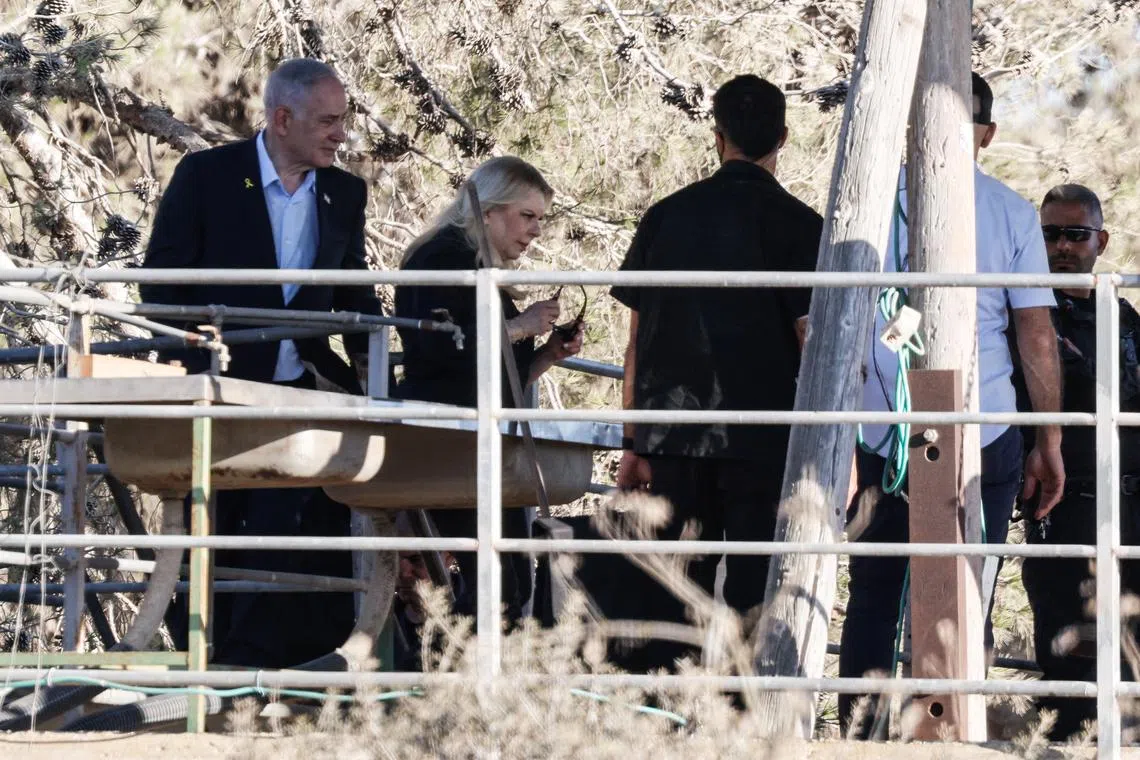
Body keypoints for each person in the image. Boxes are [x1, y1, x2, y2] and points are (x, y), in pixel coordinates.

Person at [839, 72, 1065, 737]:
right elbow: (1035, 332)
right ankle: (949, 731)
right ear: (986, 134)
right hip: (977, 418)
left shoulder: (871, 206)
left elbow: (840, 323)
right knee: (968, 587)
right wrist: (1049, 439)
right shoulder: (1009, 211)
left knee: (876, 592)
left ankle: (861, 733)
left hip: (884, 423)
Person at [140, 58, 382, 667]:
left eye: (343, 120)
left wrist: (380, 363)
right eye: (327, 122)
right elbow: (161, 282)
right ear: (282, 119)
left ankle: (268, 667)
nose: (341, 134)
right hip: (215, 389)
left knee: (294, 528)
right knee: (213, 529)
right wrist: (191, 351)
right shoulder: (206, 176)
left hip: (303, 390)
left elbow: (353, 288)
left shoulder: (345, 192)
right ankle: (202, 663)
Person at [612, 74, 822, 672]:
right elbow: (812, 341)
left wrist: (632, 441)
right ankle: (738, 710)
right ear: (783, 137)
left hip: (674, 437)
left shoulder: (665, 217)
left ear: (717, 135)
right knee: (754, 594)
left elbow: (636, 341)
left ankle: (665, 706)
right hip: (764, 439)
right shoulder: (803, 226)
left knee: (674, 588)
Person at [393, 156, 583, 622]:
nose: (536, 230)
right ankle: (461, 656)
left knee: (512, 578)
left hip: (479, 439)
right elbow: (442, 348)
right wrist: (521, 326)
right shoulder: (441, 257)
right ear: (491, 211)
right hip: (447, 437)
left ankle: (475, 654)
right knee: (497, 583)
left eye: (540, 218)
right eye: (527, 215)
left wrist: (546, 354)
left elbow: (494, 372)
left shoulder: (479, 264)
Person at [1018, 184, 1140, 740]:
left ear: (1101, 241)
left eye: (1075, 234)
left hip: (1129, 501)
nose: (1062, 246)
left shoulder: (1123, 313)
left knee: (1130, 636)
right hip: (1062, 501)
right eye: (1050, 234)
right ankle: (1065, 740)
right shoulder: (1024, 311)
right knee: (1065, 635)